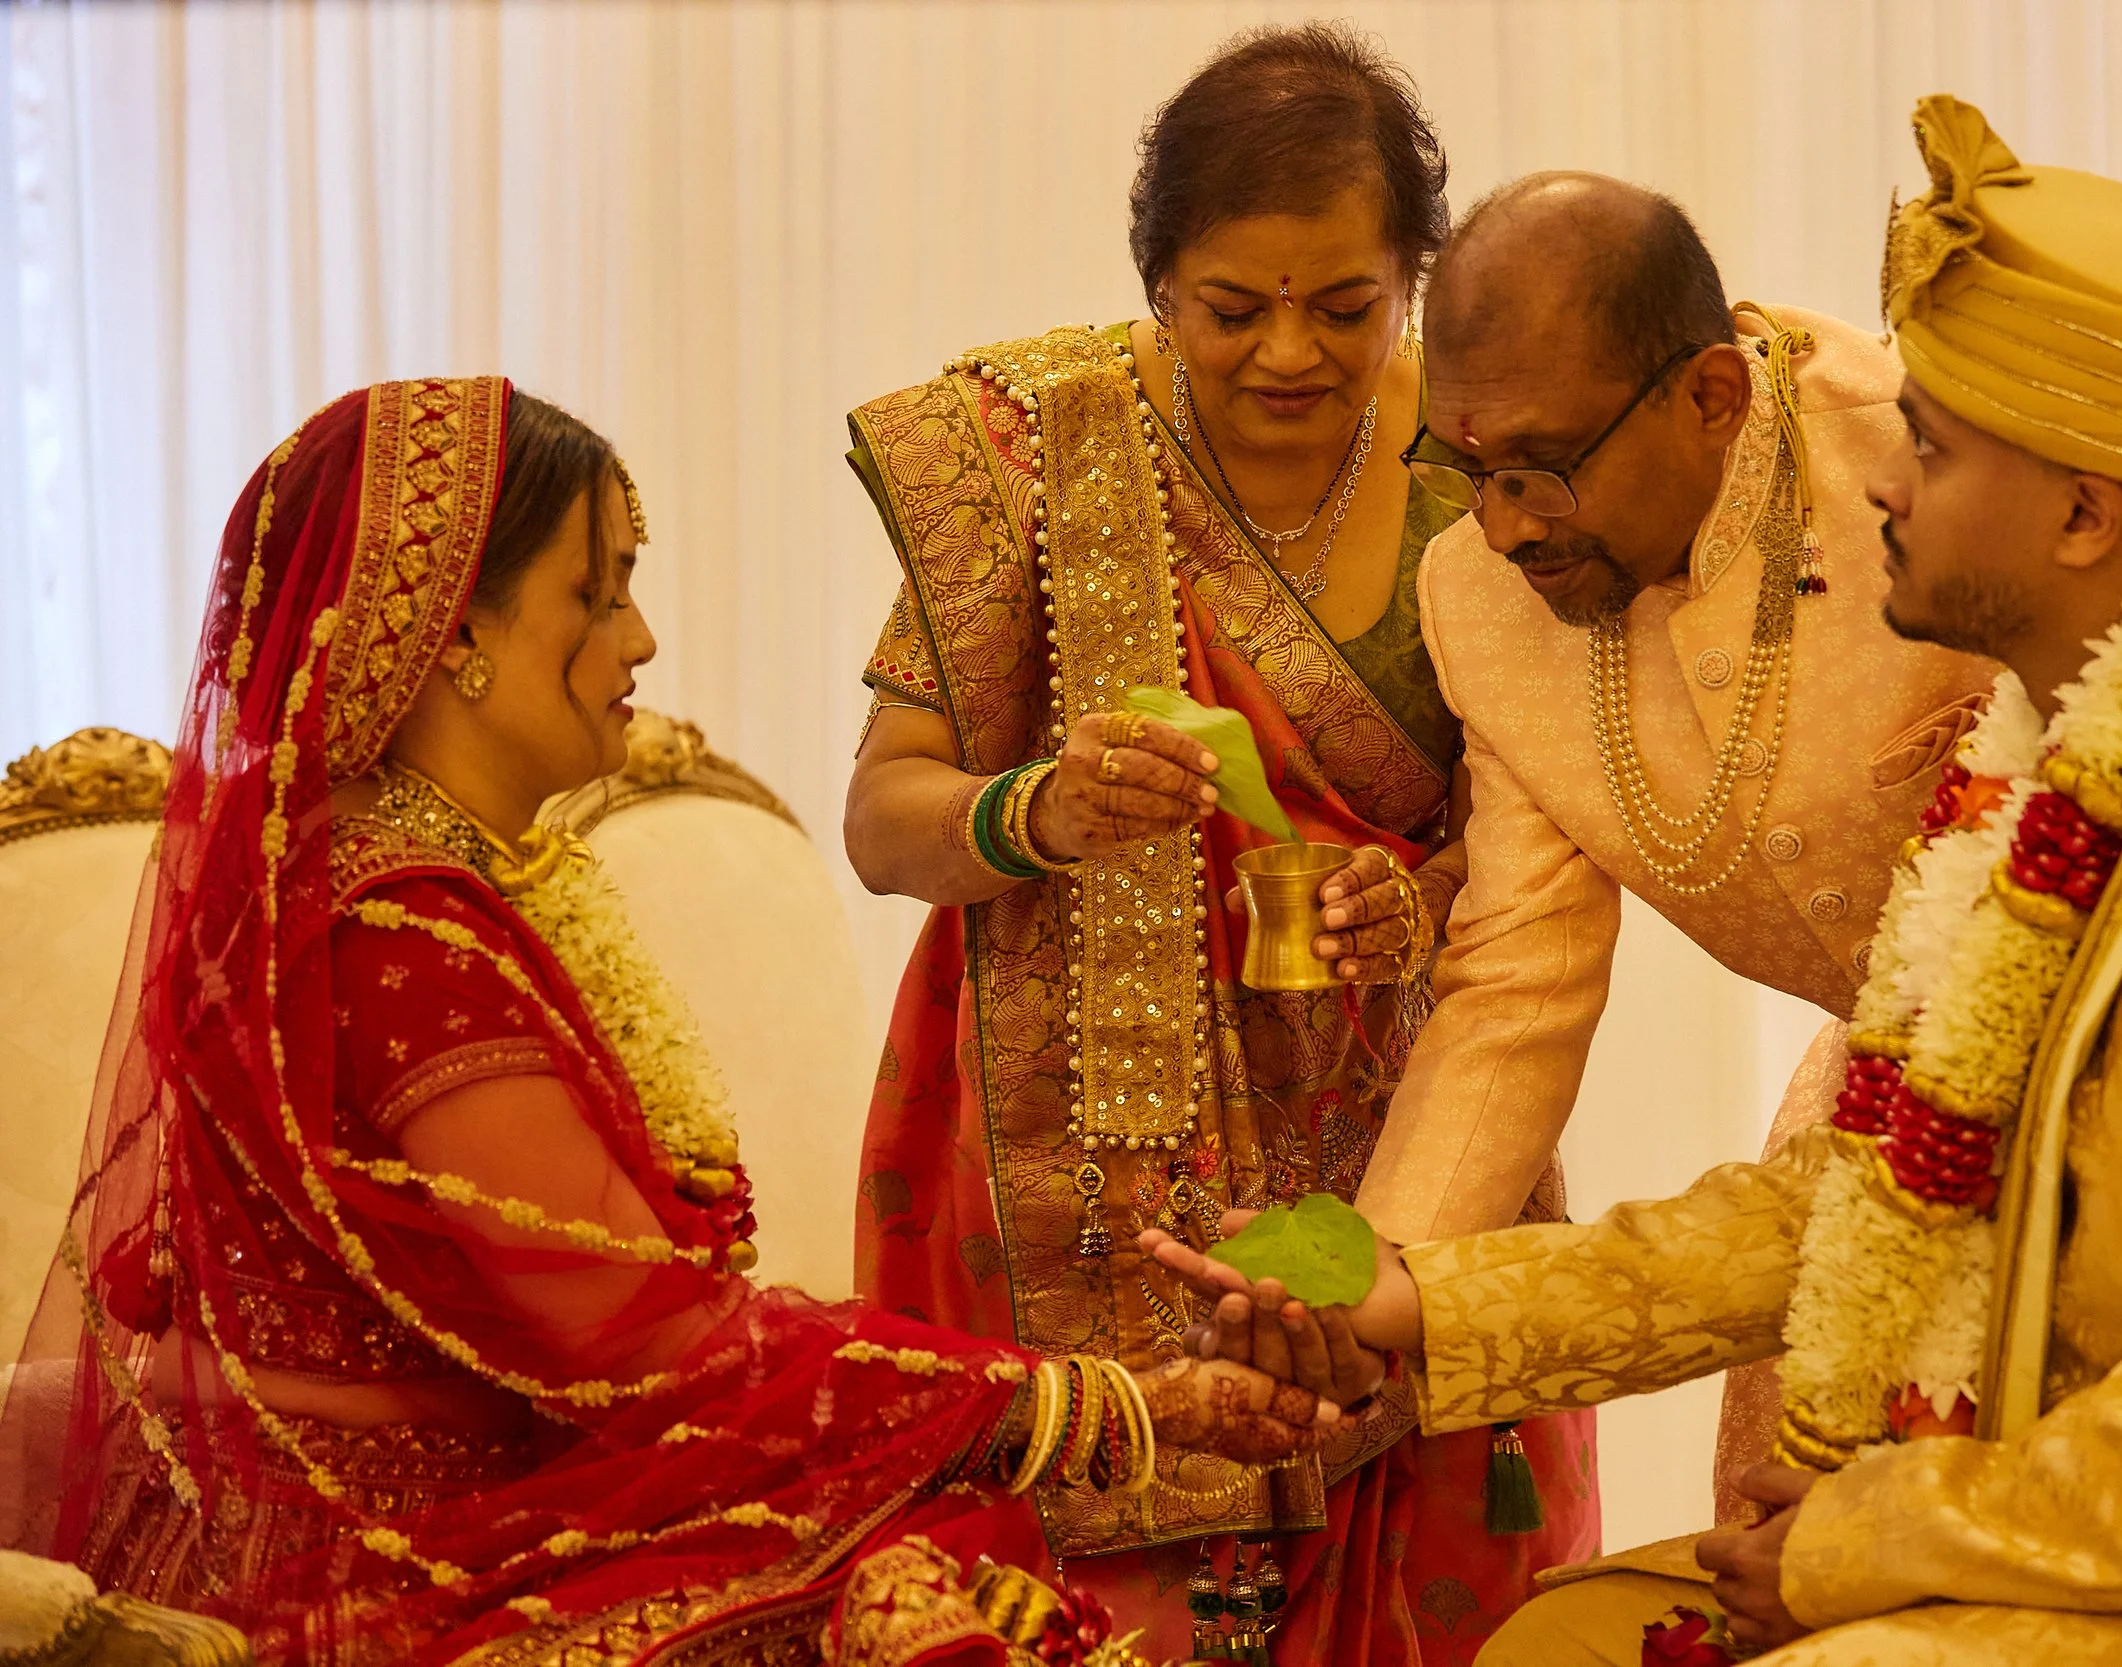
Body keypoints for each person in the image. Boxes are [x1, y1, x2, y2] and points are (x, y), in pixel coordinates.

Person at [1155, 97, 2122, 1665]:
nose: (1893, 493)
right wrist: (1405, 1303)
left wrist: (1866, 1536)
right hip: (1948, 1281)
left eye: (1928, 451)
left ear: (2082, 512)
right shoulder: (2026, 784)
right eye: (1470, 468)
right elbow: (1602, 1046)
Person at [0, 377, 1328, 1667]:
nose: (641, 641)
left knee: (930, 1574)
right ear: (448, 632)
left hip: (502, 1506)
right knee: (920, 1601)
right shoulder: (391, 943)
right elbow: (650, 1341)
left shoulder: (428, 896)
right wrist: (1096, 1399)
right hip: (399, 1568)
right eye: (599, 591)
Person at [841, 24, 1590, 1664]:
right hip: (1069, 1168)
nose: (1287, 357)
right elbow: (884, 815)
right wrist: (1027, 807)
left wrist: (1434, 889)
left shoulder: (1485, 470)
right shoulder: (1034, 456)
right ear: (1156, 282)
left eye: (1345, 307)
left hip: (1405, 1126)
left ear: (1416, 276)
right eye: (1229, 310)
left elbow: (1547, 834)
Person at [1318, 168, 1992, 1514]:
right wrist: (1371, 1289)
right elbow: (1516, 979)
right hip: (1869, 1134)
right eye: (1470, 470)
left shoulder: (1928, 468)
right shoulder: (1480, 598)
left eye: (1543, 471)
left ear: (1712, 400)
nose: (1504, 526)